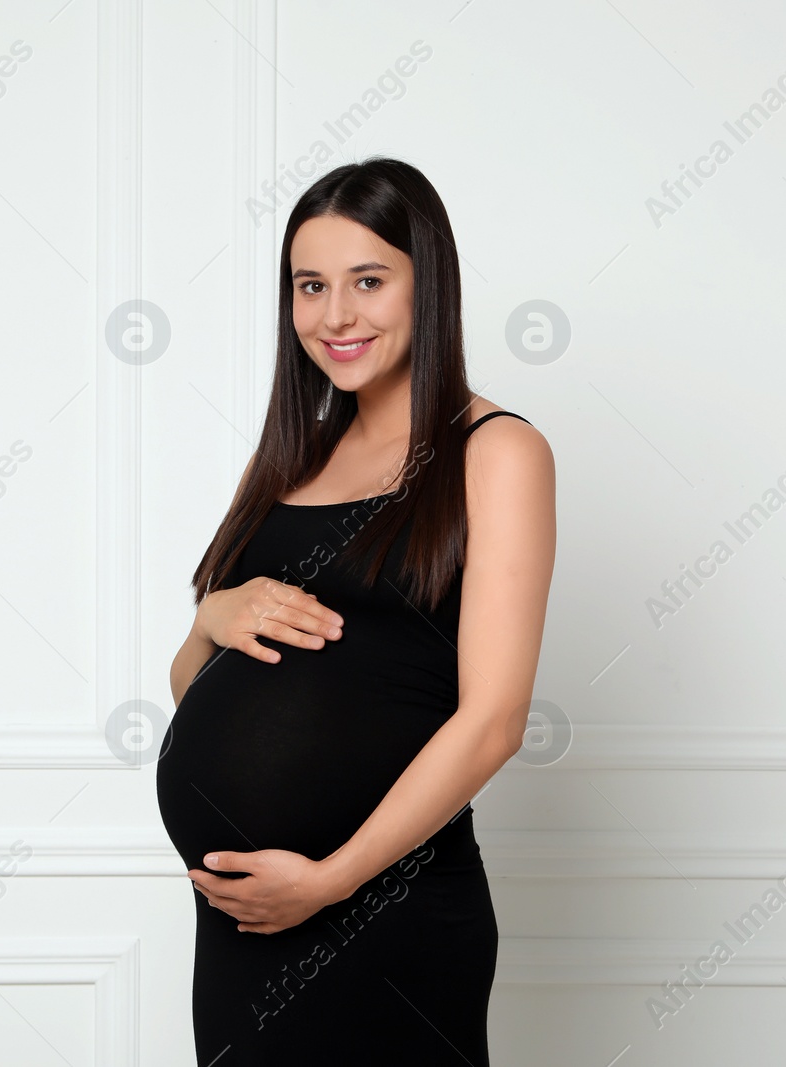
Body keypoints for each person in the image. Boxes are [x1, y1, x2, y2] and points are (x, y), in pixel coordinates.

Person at [155, 156, 556, 1065]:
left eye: (368, 281)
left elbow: (492, 721)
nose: (335, 315)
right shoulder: (295, 458)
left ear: (430, 285)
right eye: (311, 286)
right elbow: (197, 690)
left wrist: (328, 881)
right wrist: (207, 623)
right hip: (243, 924)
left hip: (387, 911)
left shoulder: (496, 453)